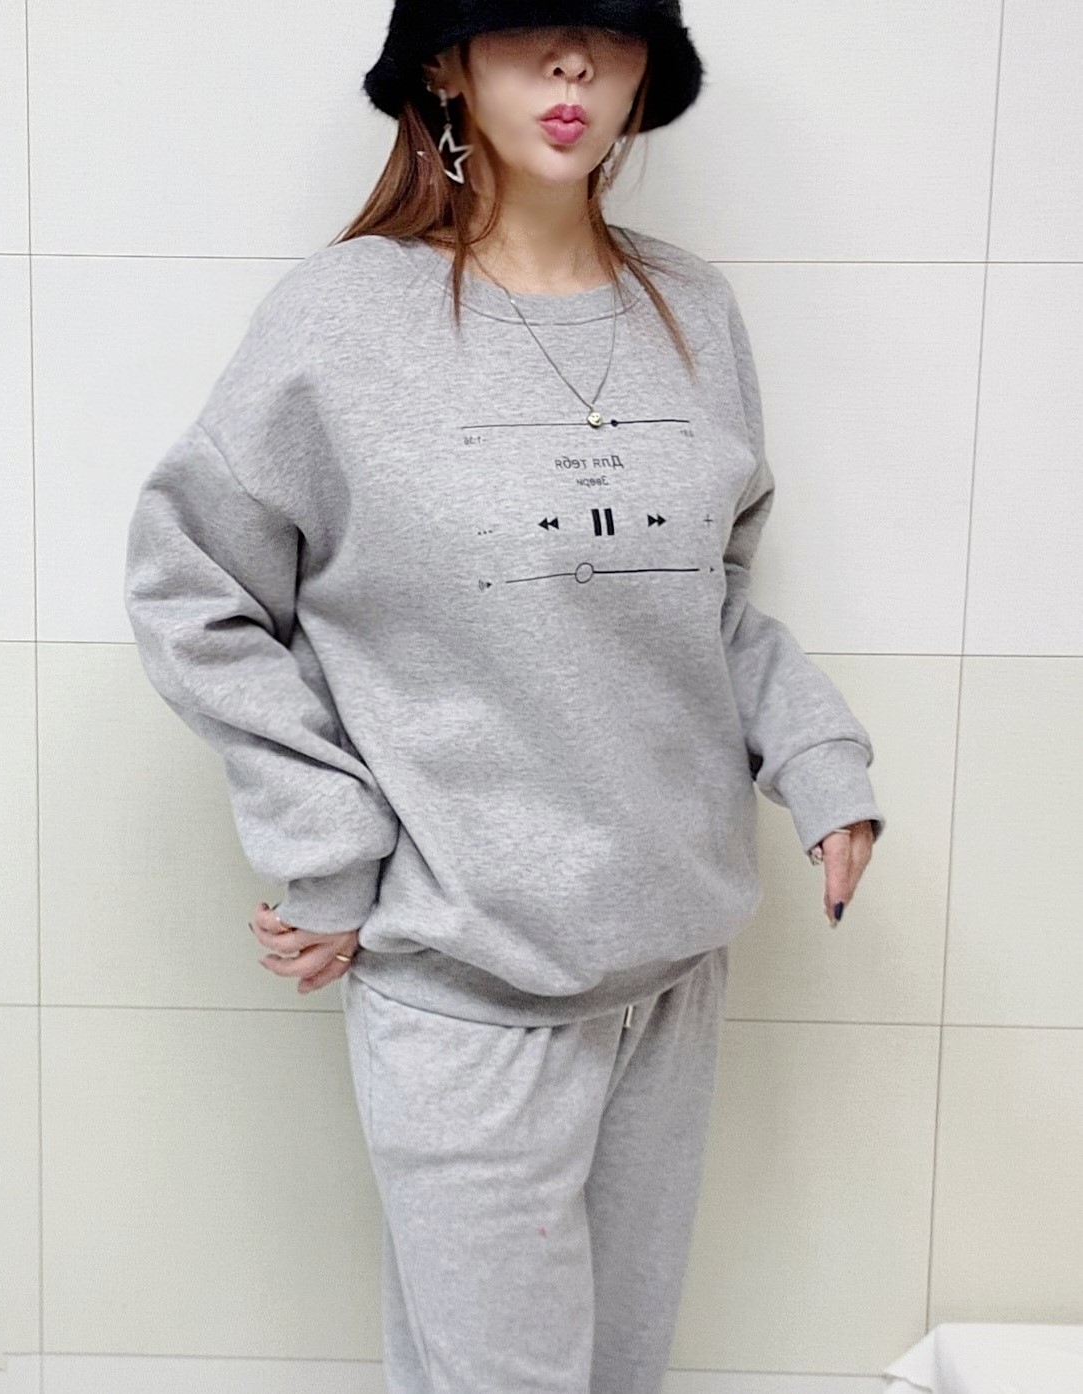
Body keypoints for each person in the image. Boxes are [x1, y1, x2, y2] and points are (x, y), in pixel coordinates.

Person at [123, 2, 886, 1389]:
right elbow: (194, 588)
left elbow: (702, 603)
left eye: (611, 33)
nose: (574, 64)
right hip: (465, 982)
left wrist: (820, 759)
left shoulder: (693, 311)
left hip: (669, 972)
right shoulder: (345, 318)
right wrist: (327, 846)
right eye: (529, 27)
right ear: (446, 64)